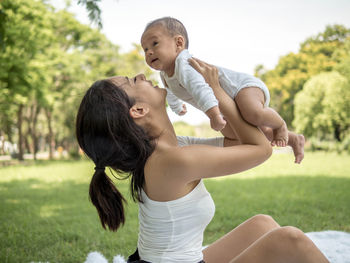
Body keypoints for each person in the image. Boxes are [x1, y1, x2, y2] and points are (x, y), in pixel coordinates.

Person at [76, 58, 328, 262]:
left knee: (263, 225)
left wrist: (198, 91)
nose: (142, 76)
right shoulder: (171, 160)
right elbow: (260, 149)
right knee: (290, 239)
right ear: (139, 111)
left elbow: (238, 141)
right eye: (133, 81)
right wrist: (215, 90)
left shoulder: (170, 150)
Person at [140, 16, 305, 164]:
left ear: (179, 43)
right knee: (248, 134)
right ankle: (293, 139)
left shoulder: (184, 65)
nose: (149, 52)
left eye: (155, 44)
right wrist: (177, 107)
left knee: (252, 113)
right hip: (226, 103)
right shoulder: (165, 74)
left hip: (242, 88)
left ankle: (280, 124)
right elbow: (170, 92)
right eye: (145, 49)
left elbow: (201, 89)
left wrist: (213, 114)